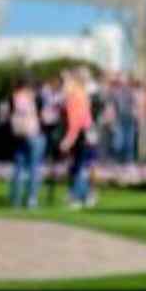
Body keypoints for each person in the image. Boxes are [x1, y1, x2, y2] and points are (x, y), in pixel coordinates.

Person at [5, 77, 44, 209]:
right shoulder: (27, 97)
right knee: (33, 168)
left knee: (19, 167)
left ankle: (16, 199)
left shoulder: (13, 97)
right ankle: (31, 199)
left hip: (18, 134)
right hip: (31, 133)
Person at [60, 69, 97, 209]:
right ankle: (85, 195)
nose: (64, 86)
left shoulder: (75, 97)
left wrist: (68, 140)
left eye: (66, 83)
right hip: (86, 133)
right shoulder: (80, 95)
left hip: (82, 134)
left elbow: (76, 122)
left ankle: (77, 198)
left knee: (80, 167)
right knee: (80, 166)